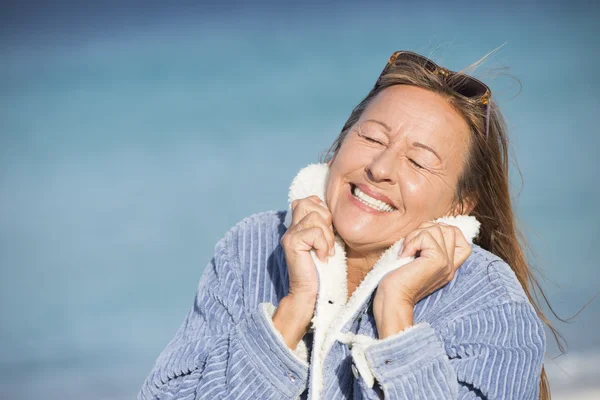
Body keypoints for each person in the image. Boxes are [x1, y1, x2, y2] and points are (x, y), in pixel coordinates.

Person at [138, 51, 549, 399]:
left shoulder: (490, 302)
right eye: (371, 138)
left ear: (462, 203)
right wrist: (291, 312)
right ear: (339, 144)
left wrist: (396, 318)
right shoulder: (250, 249)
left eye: (418, 161)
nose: (380, 167)